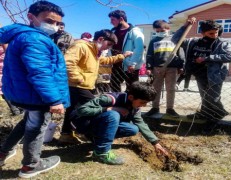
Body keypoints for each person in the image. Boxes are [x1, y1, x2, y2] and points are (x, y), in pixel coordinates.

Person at [0, 1, 70, 178]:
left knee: (27, 122)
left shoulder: (23, 35)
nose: (54, 26)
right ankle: (31, 165)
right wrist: (54, 100)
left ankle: (4, 152)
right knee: (36, 128)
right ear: (31, 17)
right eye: (49, 20)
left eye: (57, 23)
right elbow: (40, 73)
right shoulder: (35, 39)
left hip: (26, 94)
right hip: (37, 96)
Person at [59, 29, 132, 144]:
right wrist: (78, 78)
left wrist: (122, 56)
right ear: (101, 39)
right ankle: (92, 134)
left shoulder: (94, 52)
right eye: (108, 44)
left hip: (82, 86)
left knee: (72, 110)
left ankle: (66, 135)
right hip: (78, 85)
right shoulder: (81, 46)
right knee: (96, 106)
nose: (108, 48)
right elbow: (67, 62)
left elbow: (105, 60)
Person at [70, 81, 168, 165]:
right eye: (142, 102)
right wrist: (107, 108)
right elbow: (81, 110)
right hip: (81, 122)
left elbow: (140, 123)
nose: (144, 105)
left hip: (96, 124)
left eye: (146, 103)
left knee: (133, 129)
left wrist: (155, 143)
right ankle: (101, 153)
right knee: (113, 115)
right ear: (131, 97)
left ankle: (95, 138)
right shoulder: (110, 99)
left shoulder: (135, 107)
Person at [172, 19, 231, 122]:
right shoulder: (193, 42)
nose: (214, 35)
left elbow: (230, 56)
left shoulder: (222, 43)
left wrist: (206, 58)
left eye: (216, 32)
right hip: (200, 74)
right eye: (211, 33)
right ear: (202, 32)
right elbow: (175, 39)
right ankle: (204, 114)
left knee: (213, 98)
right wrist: (185, 25)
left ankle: (219, 114)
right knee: (204, 97)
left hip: (215, 75)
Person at [144, 20, 185, 117]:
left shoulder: (175, 39)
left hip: (172, 68)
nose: (159, 33)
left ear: (168, 29)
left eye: (161, 30)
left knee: (171, 89)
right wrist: (149, 67)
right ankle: (155, 107)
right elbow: (149, 55)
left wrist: (181, 66)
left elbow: (181, 53)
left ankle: (170, 109)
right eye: (157, 31)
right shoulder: (154, 41)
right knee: (155, 89)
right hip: (157, 68)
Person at [108, 10, 144, 92]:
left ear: (121, 19)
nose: (111, 22)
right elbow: (109, 47)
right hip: (116, 63)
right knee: (114, 86)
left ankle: (130, 105)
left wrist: (132, 64)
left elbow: (139, 48)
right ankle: (117, 104)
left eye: (113, 19)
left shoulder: (134, 31)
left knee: (132, 88)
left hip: (130, 65)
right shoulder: (113, 32)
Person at [0, 43, 23, 116]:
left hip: (6, 68)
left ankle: (18, 109)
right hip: (7, 68)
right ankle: (17, 110)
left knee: (6, 89)